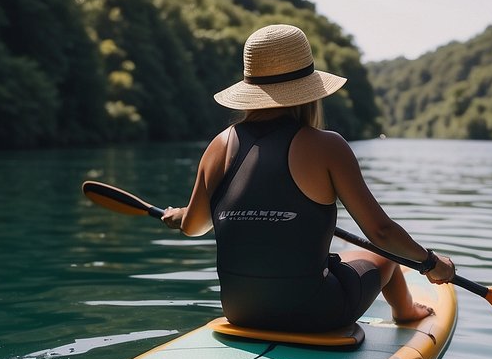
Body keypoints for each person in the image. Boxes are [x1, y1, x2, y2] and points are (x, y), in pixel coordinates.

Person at [161, 23, 455, 333]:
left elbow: (194, 227)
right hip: (316, 314)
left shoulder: (218, 146)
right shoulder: (327, 146)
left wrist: (180, 214)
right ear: (309, 91)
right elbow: (381, 232)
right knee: (385, 252)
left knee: (352, 255)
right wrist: (432, 263)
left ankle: (401, 308)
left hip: (239, 311)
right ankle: (406, 313)